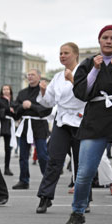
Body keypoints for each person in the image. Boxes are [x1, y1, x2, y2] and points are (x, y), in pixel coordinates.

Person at [65, 25, 112, 224]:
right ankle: (78, 211)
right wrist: (95, 71)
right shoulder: (89, 63)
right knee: (85, 171)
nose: (108, 41)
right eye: (105, 37)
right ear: (99, 40)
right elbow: (80, 91)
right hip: (95, 118)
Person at [35, 43, 86, 213]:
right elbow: (48, 101)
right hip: (62, 121)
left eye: (66, 53)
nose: (62, 56)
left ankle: (84, 199)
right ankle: (45, 197)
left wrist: (73, 80)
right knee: (54, 160)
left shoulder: (84, 73)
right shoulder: (57, 77)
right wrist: (43, 92)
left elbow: (87, 94)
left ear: (76, 55)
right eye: (60, 53)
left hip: (81, 121)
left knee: (81, 163)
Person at [12, 69, 52, 189]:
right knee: (23, 155)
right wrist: (22, 107)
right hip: (25, 125)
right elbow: (15, 108)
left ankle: (47, 180)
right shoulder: (22, 93)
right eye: (28, 75)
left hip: (39, 126)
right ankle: (24, 180)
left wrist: (32, 106)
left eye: (32, 75)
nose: (30, 77)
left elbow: (47, 109)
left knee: (42, 155)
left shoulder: (44, 92)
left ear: (39, 77)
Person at [0, 84, 15, 175]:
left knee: (8, 149)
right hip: (1, 124)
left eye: (7, 89)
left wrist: (13, 111)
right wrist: (8, 109)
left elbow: (15, 112)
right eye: (4, 89)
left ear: (10, 91)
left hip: (9, 125)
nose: (5, 91)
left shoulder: (12, 101)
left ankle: (7, 168)